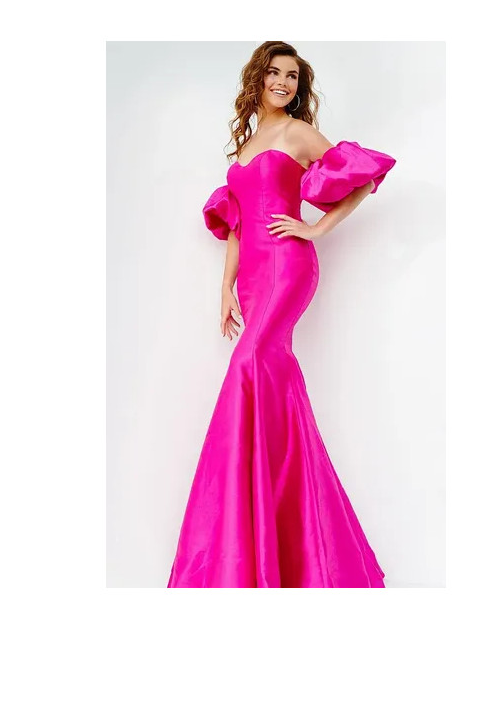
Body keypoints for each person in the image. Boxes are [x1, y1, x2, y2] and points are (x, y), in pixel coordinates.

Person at [167, 41, 396, 587]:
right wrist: (226, 287)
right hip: (251, 279)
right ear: (257, 79)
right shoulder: (245, 147)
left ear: (299, 87)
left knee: (248, 366)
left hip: (287, 268)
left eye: (293, 76)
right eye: (274, 73)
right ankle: (277, 535)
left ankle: (270, 537)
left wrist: (315, 228)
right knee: (269, 378)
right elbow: (238, 224)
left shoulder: (298, 133)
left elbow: (363, 177)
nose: (283, 83)